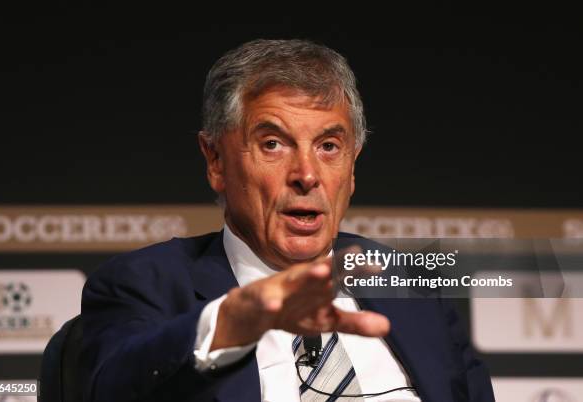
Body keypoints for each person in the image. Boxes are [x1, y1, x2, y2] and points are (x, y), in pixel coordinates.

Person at [80, 39, 495, 402]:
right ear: (216, 161)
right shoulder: (145, 284)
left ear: (352, 167)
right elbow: (111, 389)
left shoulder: (405, 285)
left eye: (329, 146)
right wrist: (230, 323)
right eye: (273, 144)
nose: (307, 174)